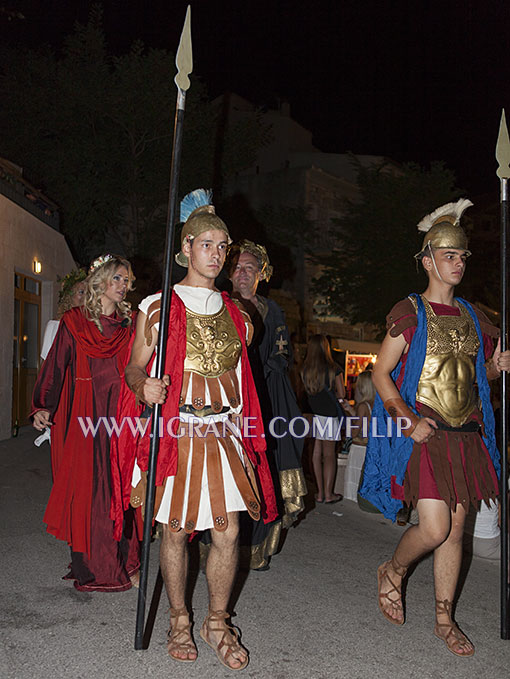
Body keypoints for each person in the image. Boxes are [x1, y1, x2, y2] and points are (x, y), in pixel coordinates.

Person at [113, 190, 277, 669]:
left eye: (223, 245)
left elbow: (243, 382)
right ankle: (179, 619)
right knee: (177, 531)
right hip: (178, 434)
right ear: (186, 248)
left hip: (224, 436)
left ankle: (218, 621)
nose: (218, 253)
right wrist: (144, 386)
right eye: (207, 243)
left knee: (227, 532)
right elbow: (132, 368)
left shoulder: (240, 316)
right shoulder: (157, 308)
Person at [360, 199, 510, 657]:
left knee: (458, 524)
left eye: (463, 256)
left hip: (467, 434)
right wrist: (406, 419)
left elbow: (470, 381)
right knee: (434, 528)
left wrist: (496, 368)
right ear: (427, 261)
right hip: (426, 431)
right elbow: (380, 372)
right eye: (449, 255)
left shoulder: (474, 317)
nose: (458, 263)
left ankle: (444, 616)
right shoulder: (409, 312)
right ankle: (394, 569)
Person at [31, 254, 140, 592]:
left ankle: (126, 561)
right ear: (102, 281)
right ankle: (95, 566)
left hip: (122, 412)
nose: (124, 286)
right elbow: (56, 366)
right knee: (91, 490)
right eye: (118, 279)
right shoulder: (75, 321)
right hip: (82, 413)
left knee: (121, 485)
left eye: (127, 280)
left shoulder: (131, 324)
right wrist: (42, 405)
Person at [226, 239, 307, 569]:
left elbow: (282, 351)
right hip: (229, 399)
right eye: (238, 267)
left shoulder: (272, 310)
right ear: (229, 273)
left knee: (268, 470)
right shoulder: (218, 305)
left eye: (250, 268)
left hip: (269, 400)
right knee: (229, 474)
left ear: (262, 274)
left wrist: (272, 366)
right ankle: (220, 549)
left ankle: (255, 551)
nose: (243, 273)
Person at [301, 334, 345, 503]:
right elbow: (341, 394)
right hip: (328, 415)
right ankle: (328, 494)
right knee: (329, 455)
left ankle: (319, 493)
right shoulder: (334, 368)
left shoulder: (305, 370)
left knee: (315, 452)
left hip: (311, 414)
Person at [340, 370, 376, 502]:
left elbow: (355, 431)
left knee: (353, 482)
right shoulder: (374, 404)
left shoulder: (362, 406)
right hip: (368, 448)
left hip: (358, 448)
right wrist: (350, 410)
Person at [40, 268, 87, 361]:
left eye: (88, 293)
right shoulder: (54, 325)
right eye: (81, 292)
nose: (85, 297)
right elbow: (47, 360)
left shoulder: (90, 325)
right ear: (69, 296)